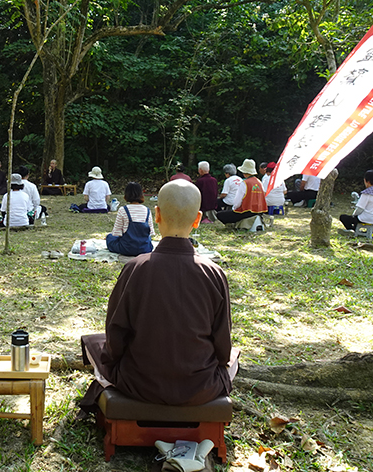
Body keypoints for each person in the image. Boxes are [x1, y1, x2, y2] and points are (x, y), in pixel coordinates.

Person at [79, 179, 235, 411]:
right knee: (234, 358)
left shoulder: (135, 268)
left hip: (139, 383)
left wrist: (114, 362)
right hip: (200, 386)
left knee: (94, 343)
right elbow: (223, 349)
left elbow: (115, 335)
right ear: (198, 219)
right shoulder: (214, 273)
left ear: (157, 214)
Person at [105, 182, 154, 256]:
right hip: (144, 248)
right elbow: (151, 232)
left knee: (110, 237)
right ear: (141, 194)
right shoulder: (147, 210)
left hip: (126, 248)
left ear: (126, 195)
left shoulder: (123, 210)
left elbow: (116, 232)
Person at [216, 159, 267, 226]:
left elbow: (238, 201)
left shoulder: (245, 183)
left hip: (246, 211)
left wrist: (234, 209)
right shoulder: (259, 182)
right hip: (259, 211)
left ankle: (233, 225)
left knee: (220, 214)